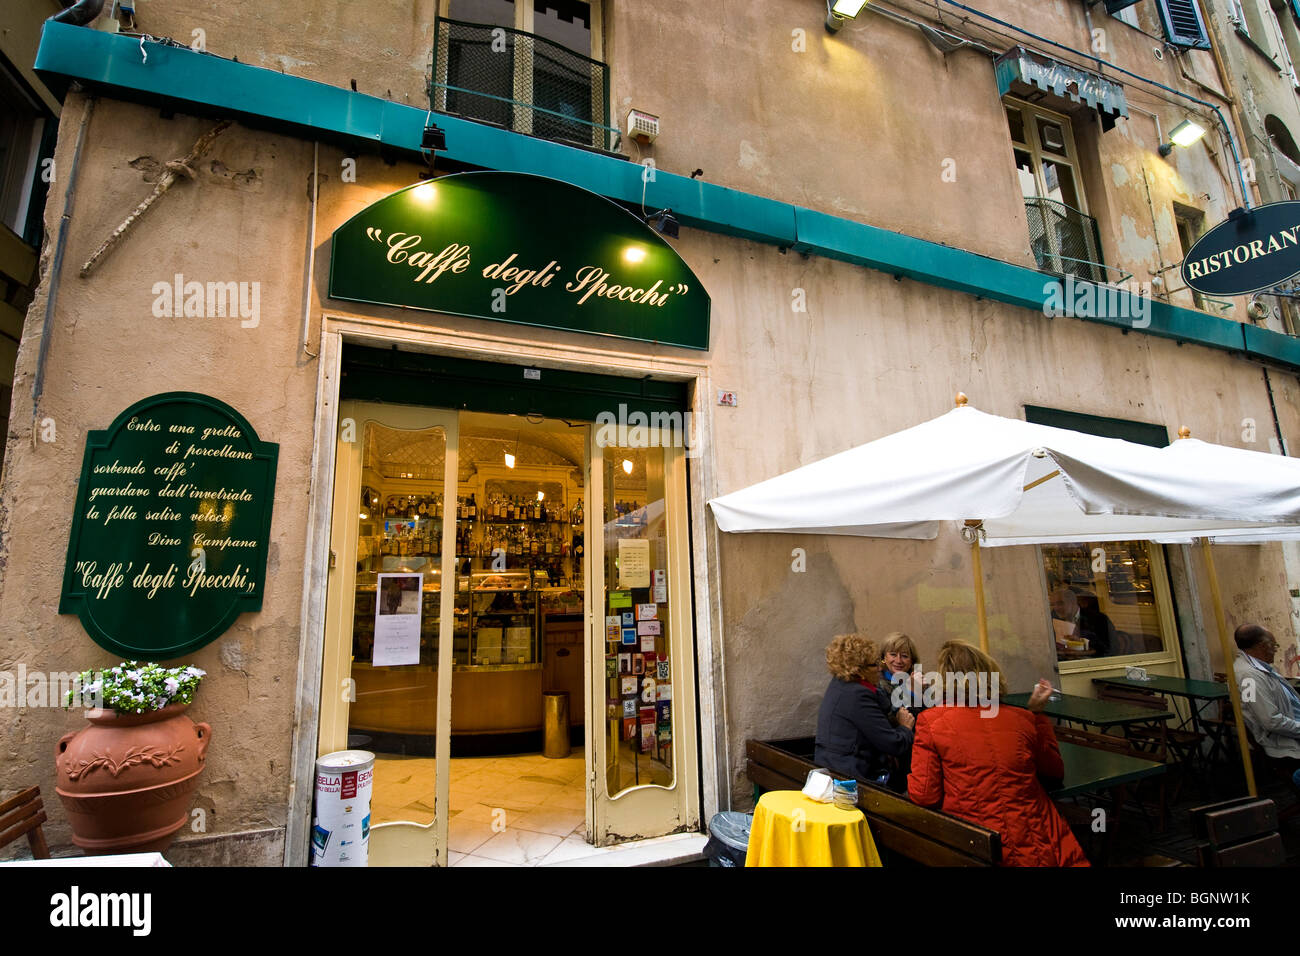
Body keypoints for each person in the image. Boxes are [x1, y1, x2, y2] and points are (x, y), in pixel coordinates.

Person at [908, 640, 1089, 867]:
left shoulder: (931, 722)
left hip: (975, 844)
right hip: (1039, 840)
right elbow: (1053, 771)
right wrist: (1037, 716)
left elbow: (924, 795)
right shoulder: (1023, 718)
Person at [815, 633, 915, 790]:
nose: (880, 668)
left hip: (833, 770)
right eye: (875, 664)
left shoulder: (840, 684)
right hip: (850, 780)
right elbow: (894, 744)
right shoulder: (857, 695)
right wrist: (905, 727)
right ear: (859, 671)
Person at [1232, 623, 1300, 792]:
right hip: (1286, 745)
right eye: (1274, 645)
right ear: (1262, 646)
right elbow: (1271, 721)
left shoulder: (1257, 669)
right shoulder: (1249, 676)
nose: (1276, 650)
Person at [1050, 586, 1116, 658]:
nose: (1056, 608)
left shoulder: (1099, 619)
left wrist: (1083, 644)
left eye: (1060, 603)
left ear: (1073, 602)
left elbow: (1108, 649)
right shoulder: (1052, 618)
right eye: (1052, 604)